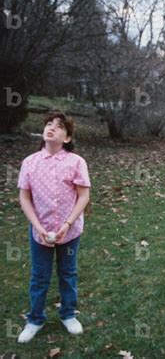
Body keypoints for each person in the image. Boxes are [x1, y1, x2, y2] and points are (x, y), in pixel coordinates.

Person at [17, 112, 91, 343]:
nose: (51, 128)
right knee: (39, 277)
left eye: (58, 127)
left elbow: (83, 196)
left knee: (68, 274)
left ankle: (68, 314)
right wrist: (37, 227)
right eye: (49, 124)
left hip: (70, 232)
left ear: (67, 138)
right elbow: (25, 198)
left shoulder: (76, 162)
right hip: (40, 232)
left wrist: (68, 224)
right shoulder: (29, 163)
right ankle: (35, 319)